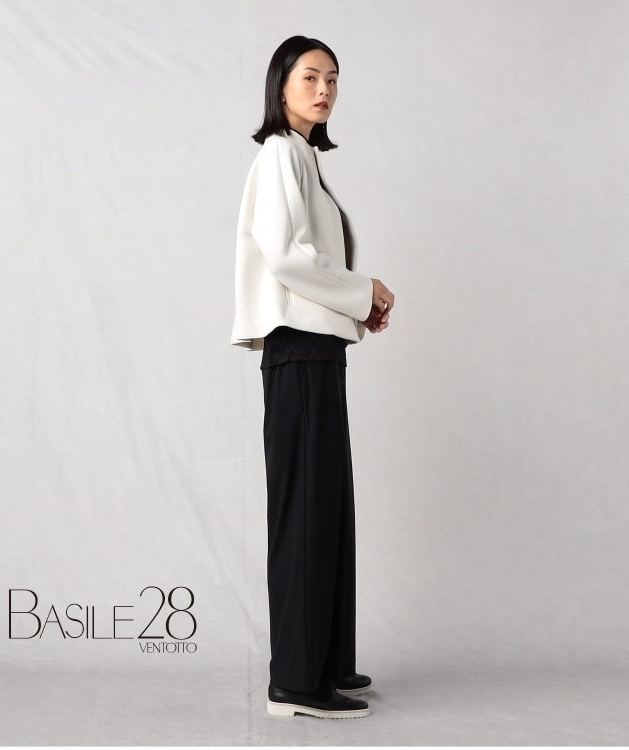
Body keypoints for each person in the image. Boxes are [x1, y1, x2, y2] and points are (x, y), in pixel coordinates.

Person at [230, 35, 394, 720]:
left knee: (327, 506)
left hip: (316, 349)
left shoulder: (302, 157)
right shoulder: (278, 153)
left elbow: (307, 261)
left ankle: (325, 661)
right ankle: (295, 682)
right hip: (297, 350)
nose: (324, 89)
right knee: (305, 510)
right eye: (310, 77)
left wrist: (355, 307)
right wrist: (364, 291)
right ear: (281, 86)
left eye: (332, 79)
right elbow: (287, 258)